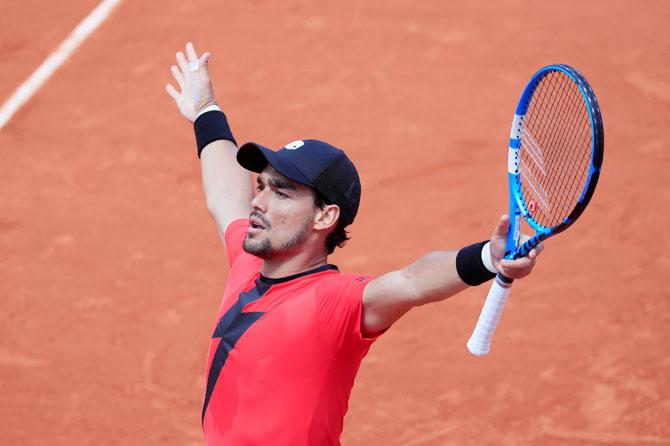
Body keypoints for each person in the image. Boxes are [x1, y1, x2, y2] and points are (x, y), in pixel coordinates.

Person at [165, 42, 543, 446]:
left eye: (282, 193)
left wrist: (488, 257)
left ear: (324, 217)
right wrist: (206, 108)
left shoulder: (335, 302)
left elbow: (411, 282)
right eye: (261, 186)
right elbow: (225, 195)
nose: (257, 202)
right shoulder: (247, 258)